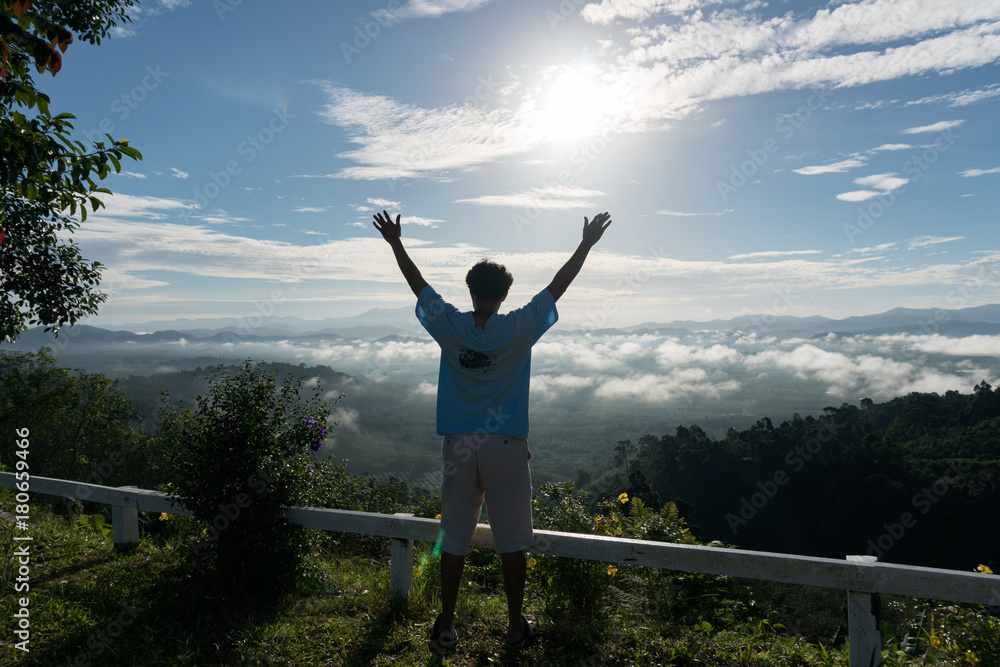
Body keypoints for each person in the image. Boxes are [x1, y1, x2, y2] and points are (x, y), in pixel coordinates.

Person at [372, 208, 612, 651]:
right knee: (511, 540)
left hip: (459, 444)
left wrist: (396, 243)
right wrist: (586, 244)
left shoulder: (450, 325)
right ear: (504, 295)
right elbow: (557, 287)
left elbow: (419, 286)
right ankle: (515, 627)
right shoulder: (518, 327)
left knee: (455, 536)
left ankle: (446, 625)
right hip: (506, 446)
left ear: (470, 290)